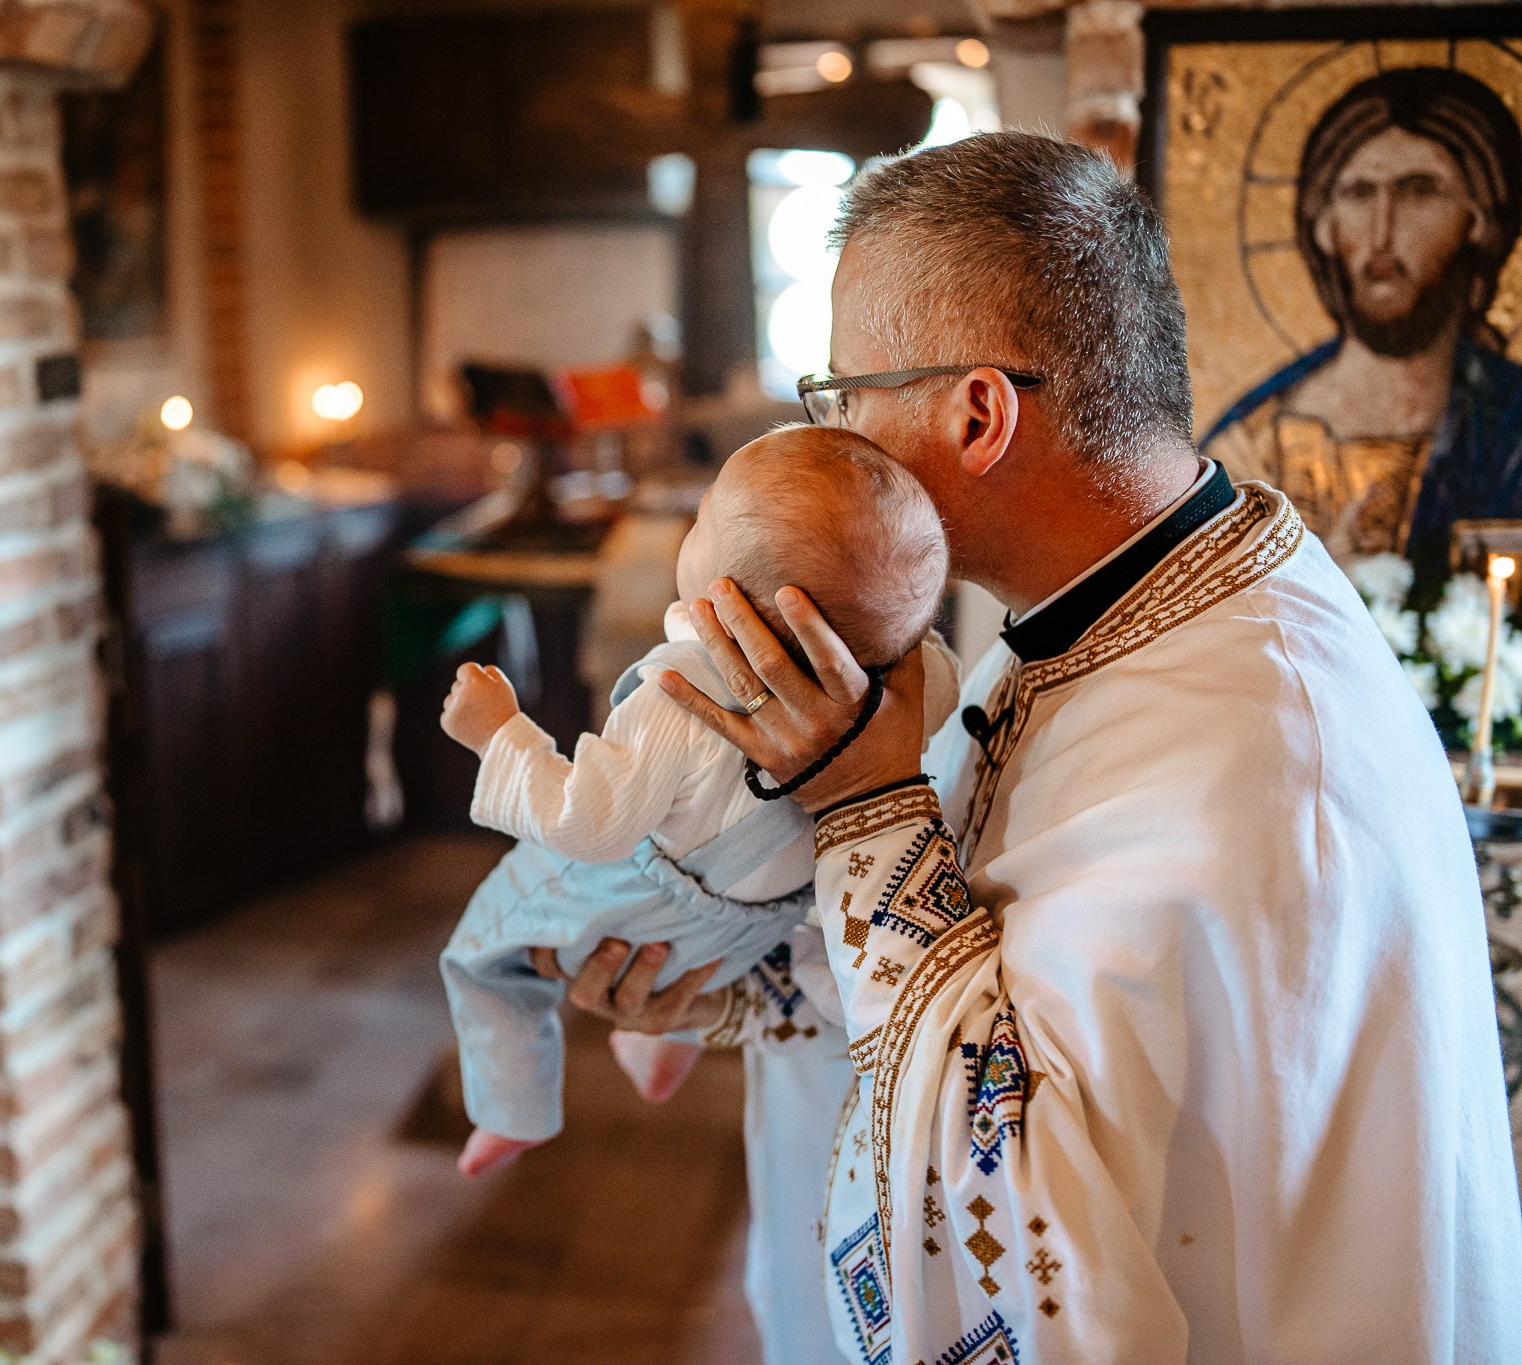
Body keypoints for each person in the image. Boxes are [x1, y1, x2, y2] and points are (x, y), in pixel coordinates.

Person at [543, 131, 1522, 1361]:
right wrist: (739, 983)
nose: (829, 439)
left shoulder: (1239, 739)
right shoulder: (1109, 605)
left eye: (843, 398)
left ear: (976, 412)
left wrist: (861, 804)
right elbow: (986, 941)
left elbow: (1043, 1222)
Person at [435, 426, 957, 1178]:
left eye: (706, 514)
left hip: (629, 898)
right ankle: (659, 1042)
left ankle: (511, 1111)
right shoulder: (920, 684)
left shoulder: (681, 692)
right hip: (759, 930)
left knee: (482, 955)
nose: (693, 521)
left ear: (726, 592)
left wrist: (501, 733)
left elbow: (589, 821)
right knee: (689, 955)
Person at [1205, 68, 1522, 583]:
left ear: (1479, 219)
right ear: (1324, 226)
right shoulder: (1252, 448)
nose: (1382, 231)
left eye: (1419, 191)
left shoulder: (1511, 432)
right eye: (1358, 193)